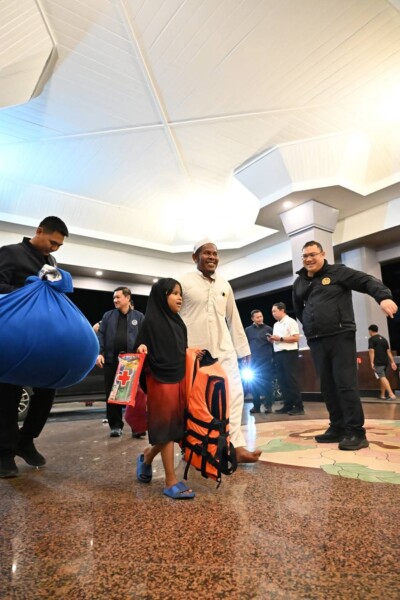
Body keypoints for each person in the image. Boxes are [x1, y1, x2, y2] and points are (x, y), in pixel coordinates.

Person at [293, 240, 398, 451]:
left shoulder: (338, 272)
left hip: (341, 336)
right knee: (327, 386)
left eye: (313, 254)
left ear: (323, 254)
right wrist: (310, 328)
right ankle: (337, 427)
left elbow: (366, 281)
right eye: (305, 256)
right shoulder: (300, 282)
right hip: (316, 339)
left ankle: (356, 432)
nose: (309, 259)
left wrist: (383, 297)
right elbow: (298, 309)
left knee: (345, 384)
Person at [179, 240, 261, 463]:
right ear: (195, 257)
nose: (212, 257)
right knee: (196, 401)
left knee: (234, 394)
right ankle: (193, 447)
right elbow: (173, 317)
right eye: (206, 253)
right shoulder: (184, 282)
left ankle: (236, 446)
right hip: (194, 352)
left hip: (224, 349)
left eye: (215, 253)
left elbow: (233, 318)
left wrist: (242, 349)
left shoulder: (224, 284)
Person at [0, 216, 69, 478]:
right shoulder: (10, 253)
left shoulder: (51, 263)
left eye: (59, 245)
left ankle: (26, 439)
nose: (55, 248)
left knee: (48, 388)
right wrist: (28, 291)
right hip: (13, 337)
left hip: (41, 338)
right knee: (8, 393)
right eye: (52, 242)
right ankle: (5, 452)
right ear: (39, 231)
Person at [135, 278, 195, 499]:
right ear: (162, 296)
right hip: (159, 379)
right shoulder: (150, 322)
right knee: (166, 428)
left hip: (178, 378)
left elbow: (181, 350)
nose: (180, 298)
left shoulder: (179, 323)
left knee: (174, 427)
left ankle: (147, 457)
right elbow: (139, 345)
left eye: (181, 294)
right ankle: (171, 481)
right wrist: (141, 347)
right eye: (174, 293)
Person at [96, 287, 144, 437]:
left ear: (127, 298)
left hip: (131, 361)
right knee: (112, 394)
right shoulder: (108, 316)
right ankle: (115, 426)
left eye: (118, 297)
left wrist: (143, 344)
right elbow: (100, 335)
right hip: (111, 360)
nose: (115, 300)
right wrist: (99, 353)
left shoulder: (139, 317)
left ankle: (137, 427)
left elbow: (144, 336)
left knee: (133, 396)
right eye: (114, 298)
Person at [269, 302, 304, 416]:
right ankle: (288, 404)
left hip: (289, 353)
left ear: (282, 310)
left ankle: (299, 406)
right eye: (272, 311)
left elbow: (296, 338)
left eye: (275, 311)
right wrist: (273, 340)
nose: (273, 313)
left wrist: (280, 338)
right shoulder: (276, 324)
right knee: (282, 380)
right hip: (278, 353)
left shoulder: (290, 321)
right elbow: (279, 340)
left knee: (290, 379)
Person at [245, 309, 273, 414]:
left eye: (261, 316)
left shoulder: (268, 329)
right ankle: (256, 406)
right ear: (252, 319)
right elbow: (246, 345)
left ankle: (268, 406)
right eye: (257, 317)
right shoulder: (248, 330)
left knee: (267, 383)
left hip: (266, 360)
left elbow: (273, 344)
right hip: (254, 361)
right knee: (254, 384)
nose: (260, 319)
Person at [368, 324, 397, 401]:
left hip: (378, 361)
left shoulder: (371, 339)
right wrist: (392, 362)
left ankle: (391, 394)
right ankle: (382, 395)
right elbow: (388, 351)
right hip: (386, 361)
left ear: (370, 331)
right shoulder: (384, 339)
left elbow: (371, 351)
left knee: (382, 377)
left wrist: (371, 362)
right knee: (383, 377)